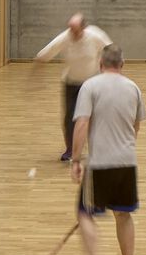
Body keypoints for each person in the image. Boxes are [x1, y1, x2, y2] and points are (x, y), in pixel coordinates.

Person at [68, 43, 146, 255]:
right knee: (123, 215)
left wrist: (76, 160)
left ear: (100, 64)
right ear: (122, 65)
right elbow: (136, 127)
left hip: (99, 164)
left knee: (84, 213)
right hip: (127, 162)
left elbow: (81, 124)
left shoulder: (90, 86)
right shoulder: (133, 88)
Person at [34, 13, 111, 162]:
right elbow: (44, 54)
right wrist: (37, 72)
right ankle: (71, 149)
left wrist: (110, 72)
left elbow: (111, 49)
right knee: (69, 118)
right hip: (71, 83)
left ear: (84, 28)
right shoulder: (65, 37)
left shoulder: (94, 35)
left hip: (92, 82)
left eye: (76, 30)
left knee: (96, 116)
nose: (73, 33)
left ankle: (99, 148)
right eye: (70, 29)